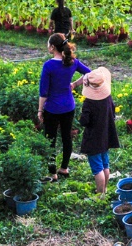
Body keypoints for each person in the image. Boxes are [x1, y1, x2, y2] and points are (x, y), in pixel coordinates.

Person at [38, 34, 92, 180]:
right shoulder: (72, 62)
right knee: (67, 137)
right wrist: (75, 84)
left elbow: (44, 92)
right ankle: (64, 168)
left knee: (50, 140)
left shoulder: (48, 66)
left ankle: (52, 173)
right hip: (69, 106)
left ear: (53, 47)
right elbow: (89, 73)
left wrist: (40, 110)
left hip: (52, 108)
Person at [75, 67, 120, 195]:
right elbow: (113, 113)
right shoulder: (108, 98)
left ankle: (100, 194)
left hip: (93, 138)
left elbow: (84, 122)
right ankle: (104, 190)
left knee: (97, 168)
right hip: (106, 135)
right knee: (105, 164)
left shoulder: (88, 103)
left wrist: (81, 117)